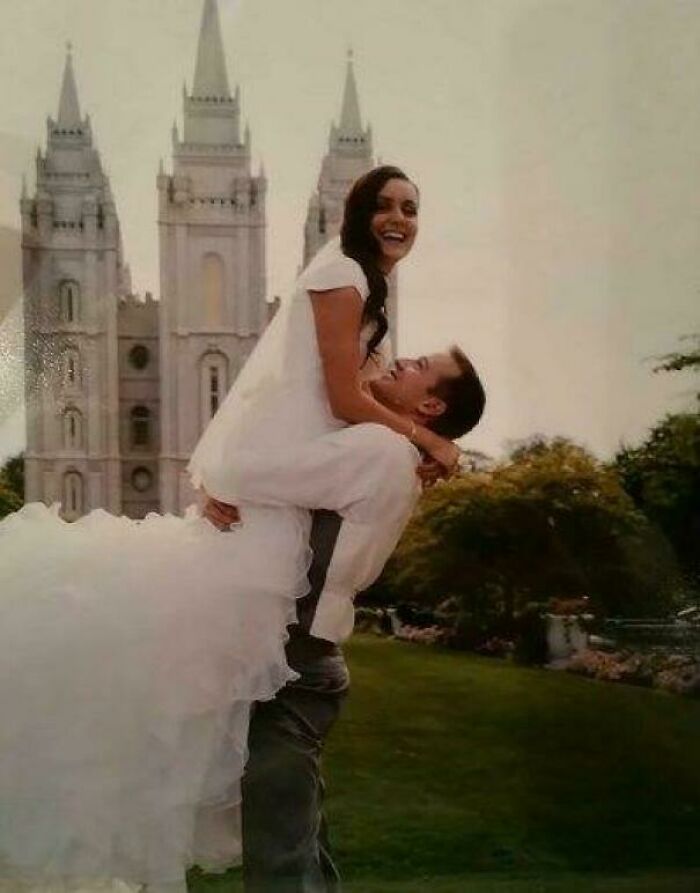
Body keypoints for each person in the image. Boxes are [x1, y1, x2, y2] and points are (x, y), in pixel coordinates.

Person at [199, 348, 485, 893]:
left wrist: (216, 485)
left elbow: (234, 470)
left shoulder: (377, 449)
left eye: (420, 365)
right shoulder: (393, 451)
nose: (401, 360)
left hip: (294, 663)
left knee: (280, 854)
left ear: (428, 403)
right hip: (304, 658)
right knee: (298, 838)